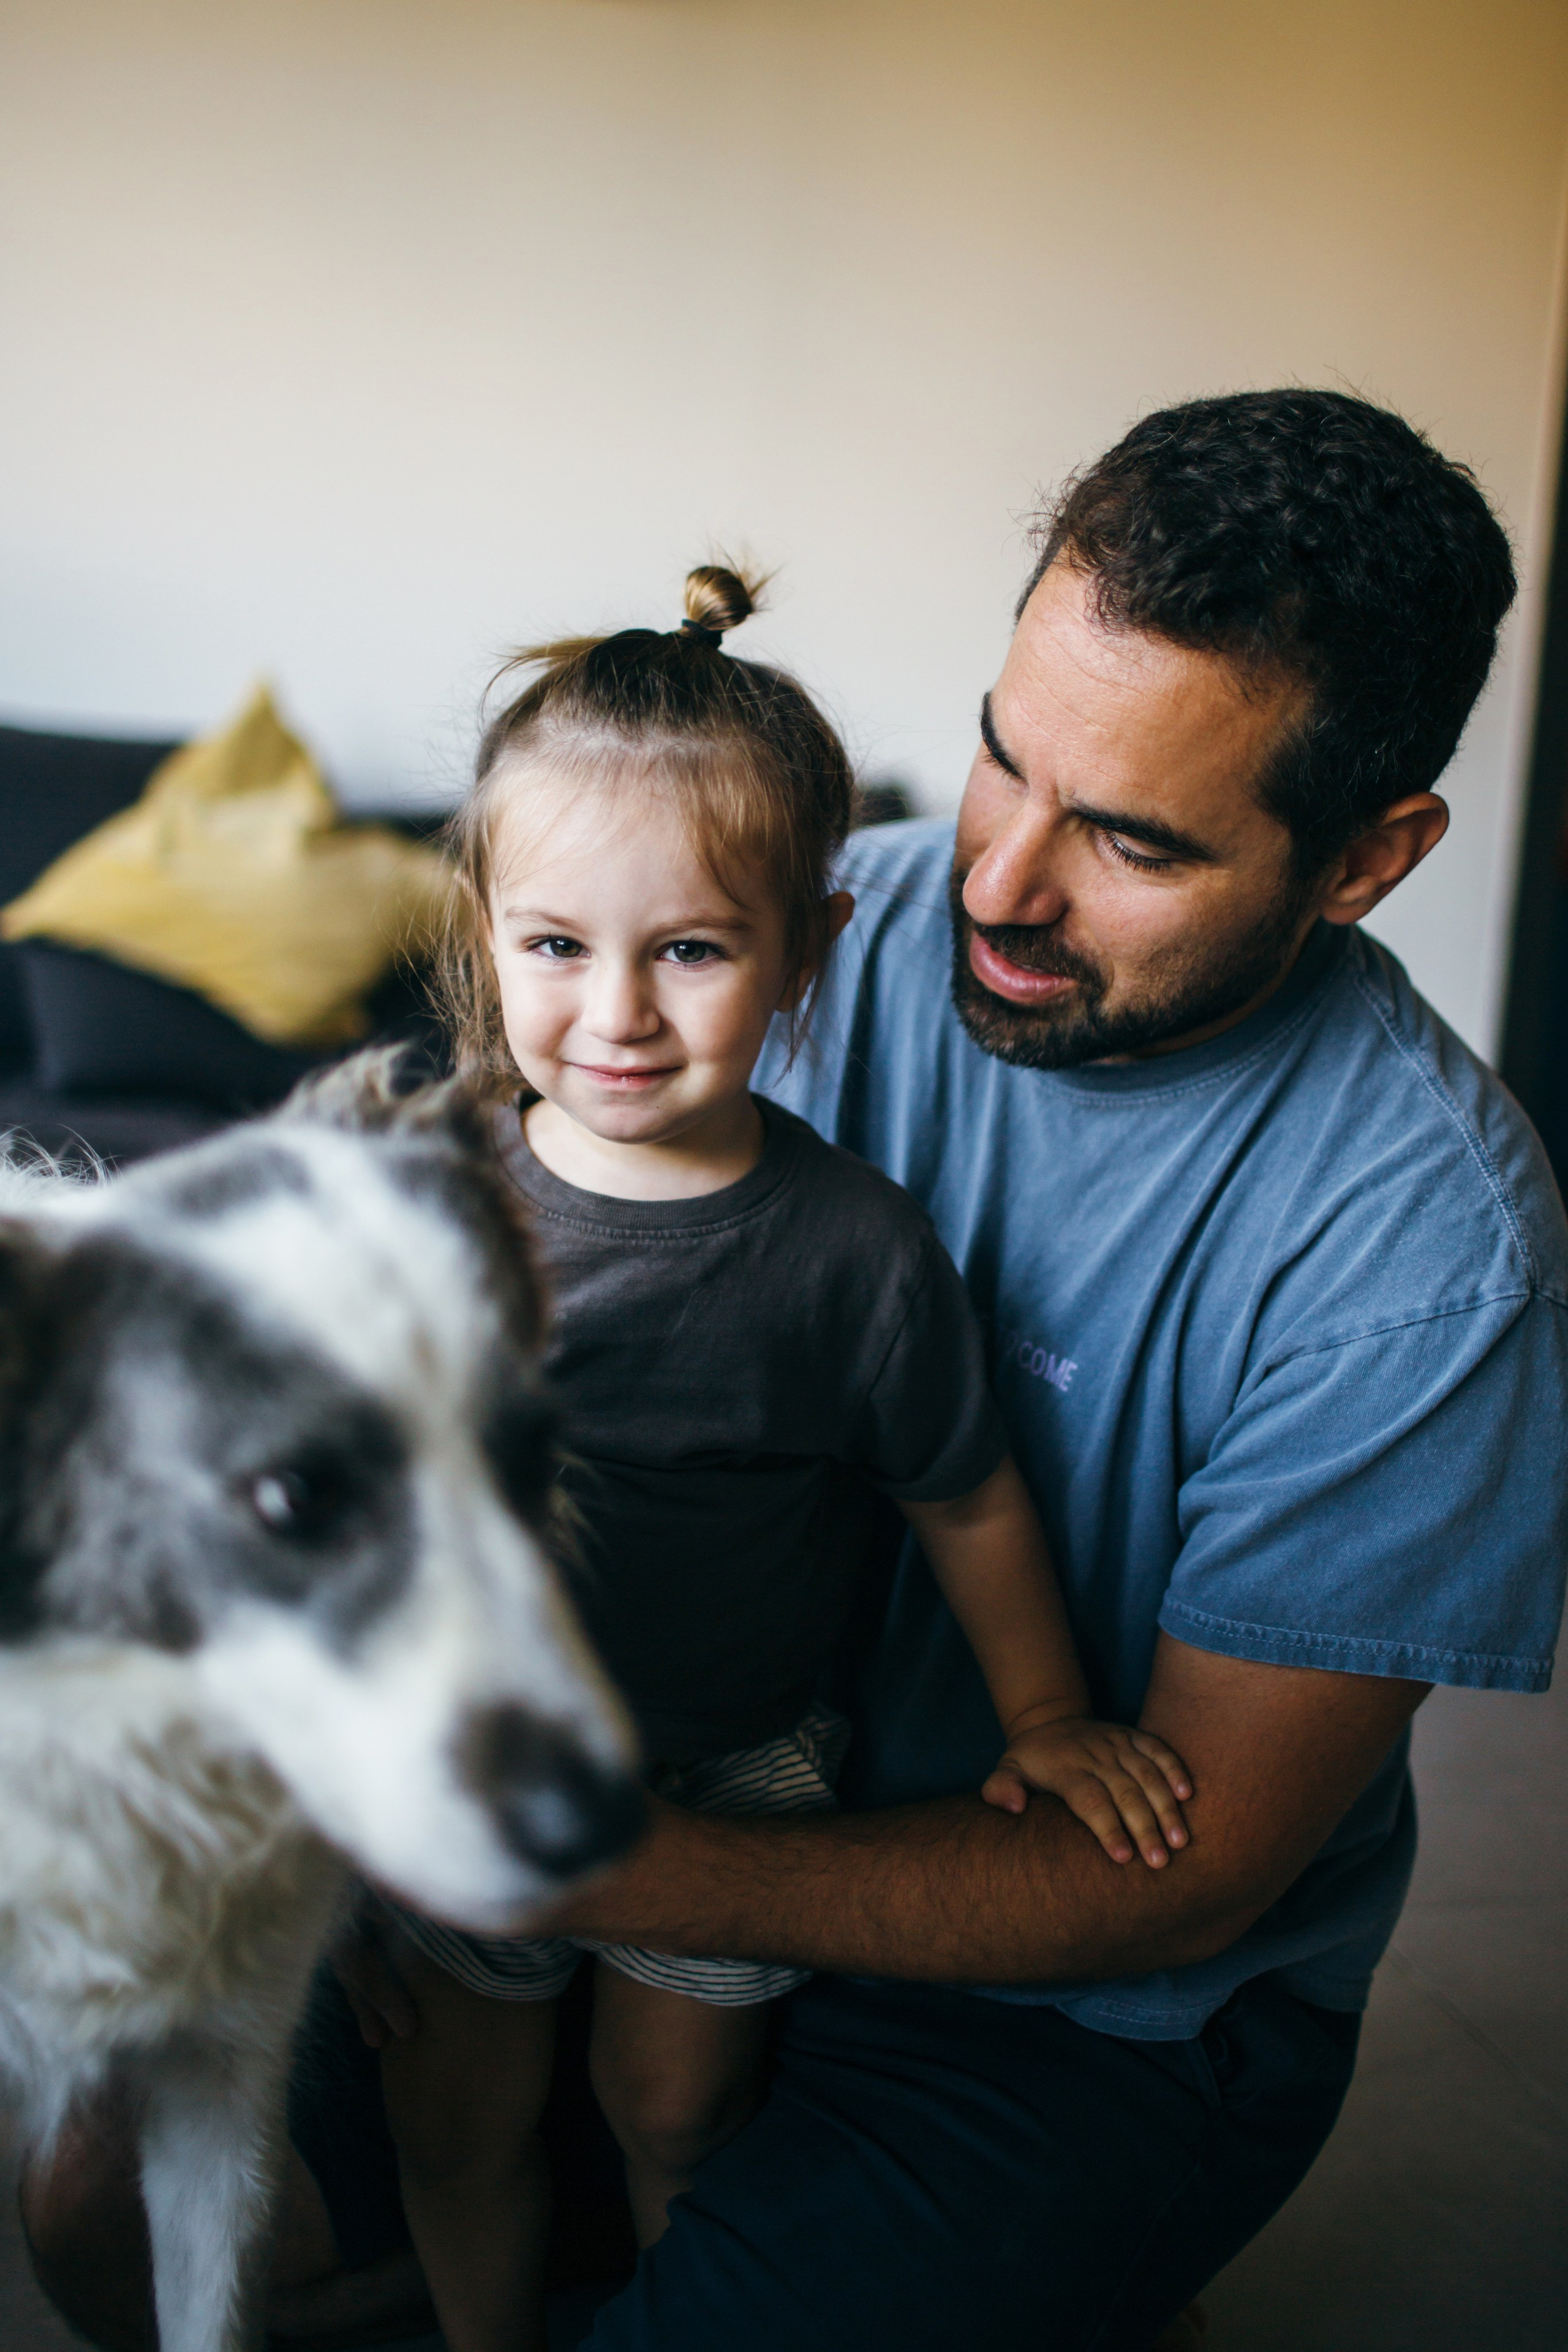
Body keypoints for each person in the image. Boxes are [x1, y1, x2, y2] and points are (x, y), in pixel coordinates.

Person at [21, 391, 1568, 2352]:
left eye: (1131, 839)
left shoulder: (1431, 1252)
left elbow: (1181, 1882)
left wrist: (567, 1870)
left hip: (1067, 2009)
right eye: (1010, 757)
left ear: (1366, 859)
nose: (1000, 884)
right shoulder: (808, 920)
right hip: (632, 1785)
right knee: (95, 2195)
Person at [363, 564, 1195, 2352]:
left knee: (678, 2115)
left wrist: (1050, 1719)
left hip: (743, 1765)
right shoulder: (427, 1206)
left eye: (692, 950)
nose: (617, 1016)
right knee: (459, 2117)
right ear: (489, 928)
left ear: (805, 949)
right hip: (471, 1749)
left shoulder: (855, 1252)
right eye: (557, 947)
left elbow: (962, 1494)